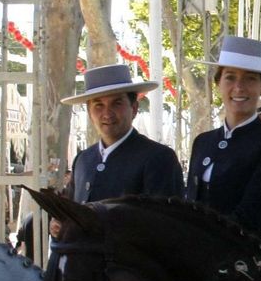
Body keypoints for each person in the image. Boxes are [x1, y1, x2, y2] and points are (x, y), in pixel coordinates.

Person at [186, 36, 261, 235]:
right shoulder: (203, 142)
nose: (239, 87)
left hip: (246, 258)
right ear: (218, 83)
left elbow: (253, 216)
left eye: (250, 78)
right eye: (230, 77)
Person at [62, 63, 183, 203]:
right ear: (89, 113)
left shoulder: (158, 158)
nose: (107, 114)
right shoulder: (83, 160)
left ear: (134, 108)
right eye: (98, 105)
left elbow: (166, 219)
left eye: (117, 103)